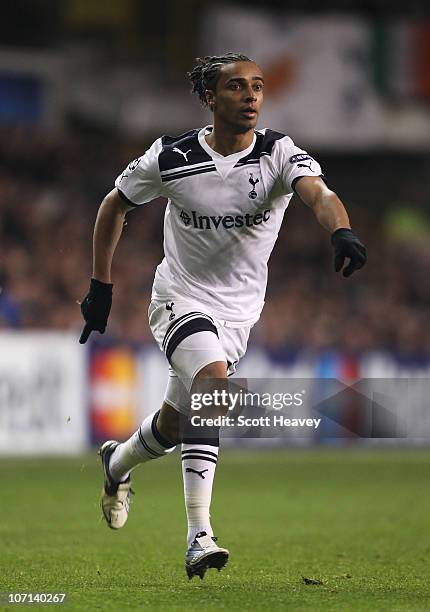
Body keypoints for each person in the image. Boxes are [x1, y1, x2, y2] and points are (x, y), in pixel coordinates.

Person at [79, 52, 367, 580]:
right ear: (210, 98)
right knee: (213, 388)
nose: (252, 95)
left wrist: (340, 229)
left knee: (174, 425)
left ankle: (116, 462)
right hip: (178, 298)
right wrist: (101, 285)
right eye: (237, 87)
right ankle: (199, 535)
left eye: (257, 86)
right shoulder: (171, 156)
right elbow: (113, 206)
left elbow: (319, 193)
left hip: (238, 315)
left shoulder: (278, 152)